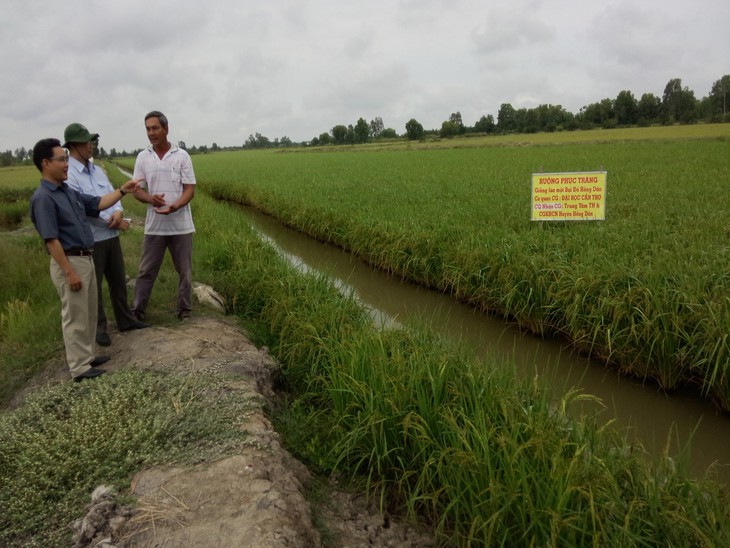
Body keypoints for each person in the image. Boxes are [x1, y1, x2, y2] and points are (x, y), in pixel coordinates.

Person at [29, 138, 140, 381]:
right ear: (46, 163)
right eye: (61, 159)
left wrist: (123, 190)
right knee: (75, 316)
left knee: (88, 311)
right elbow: (51, 240)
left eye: (67, 159)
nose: (66, 164)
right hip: (69, 261)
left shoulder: (68, 191)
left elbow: (99, 203)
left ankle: (88, 356)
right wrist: (69, 271)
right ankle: (79, 368)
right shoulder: (44, 198)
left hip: (85, 257)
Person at [63, 123, 149, 347]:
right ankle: (99, 328)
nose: (91, 146)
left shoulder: (98, 170)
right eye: (86, 142)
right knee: (94, 287)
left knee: (118, 281)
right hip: (91, 238)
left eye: (91, 141)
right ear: (73, 145)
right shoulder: (69, 175)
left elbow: (114, 196)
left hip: (111, 236)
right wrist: (112, 222)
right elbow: (84, 207)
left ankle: (125, 320)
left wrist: (118, 213)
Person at [132, 111, 196, 321]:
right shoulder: (143, 157)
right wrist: (151, 199)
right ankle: (138, 311)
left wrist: (175, 205)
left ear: (166, 129)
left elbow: (189, 190)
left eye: (155, 128)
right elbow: (137, 190)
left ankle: (184, 310)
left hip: (181, 225)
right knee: (146, 271)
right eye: (148, 129)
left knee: (185, 272)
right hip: (155, 226)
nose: (151, 133)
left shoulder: (182, 156)